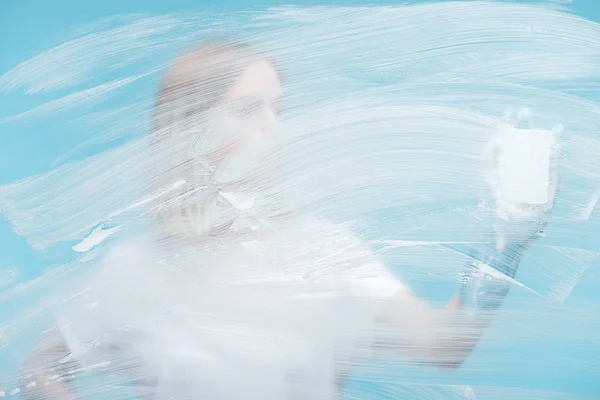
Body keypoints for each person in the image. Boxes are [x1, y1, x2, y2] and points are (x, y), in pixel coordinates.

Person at [25, 41, 555, 400]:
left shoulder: (325, 254)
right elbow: (41, 371)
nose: (275, 132)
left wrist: (502, 245)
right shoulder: (136, 269)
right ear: (187, 130)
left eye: (279, 109)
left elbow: (443, 346)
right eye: (248, 110)